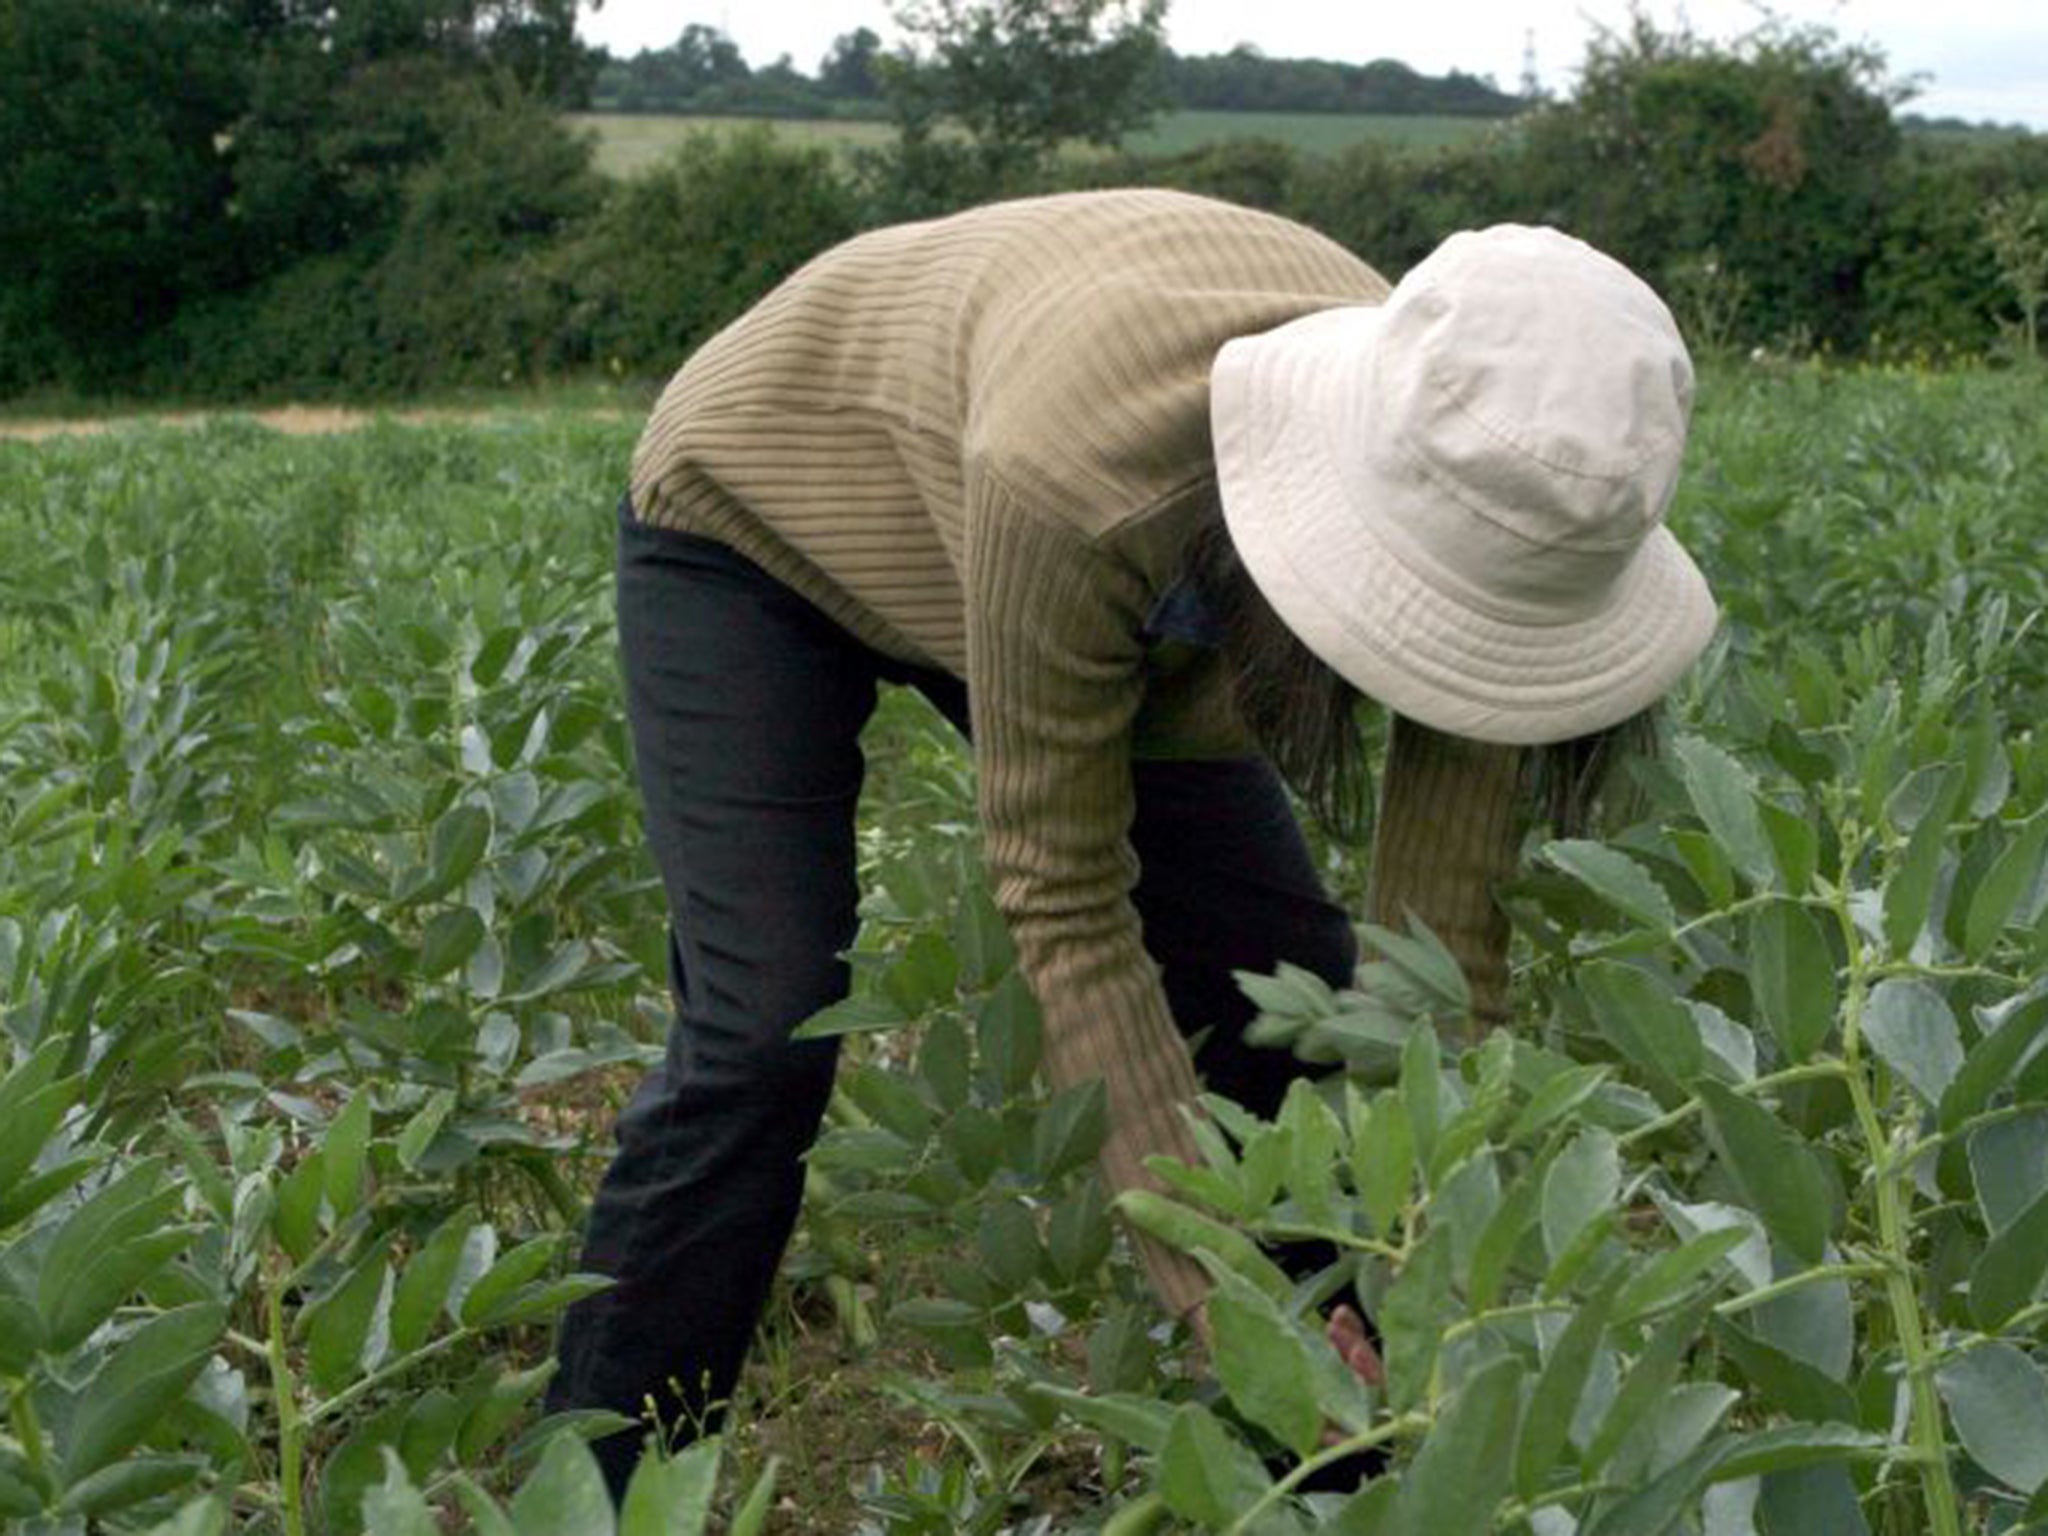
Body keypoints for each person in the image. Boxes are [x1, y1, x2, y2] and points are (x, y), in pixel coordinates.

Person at [546, 188, 1718, 1496]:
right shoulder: (1088, 473)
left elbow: (1438, 956)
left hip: (1114, 554)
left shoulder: (1503, 471)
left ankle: (1348, 1466)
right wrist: (1219, 1294)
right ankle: (594, 1496)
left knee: (1290, 990)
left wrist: (1428, 1264)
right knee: (767, 1025)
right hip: (764, 510)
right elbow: (1065, 904)